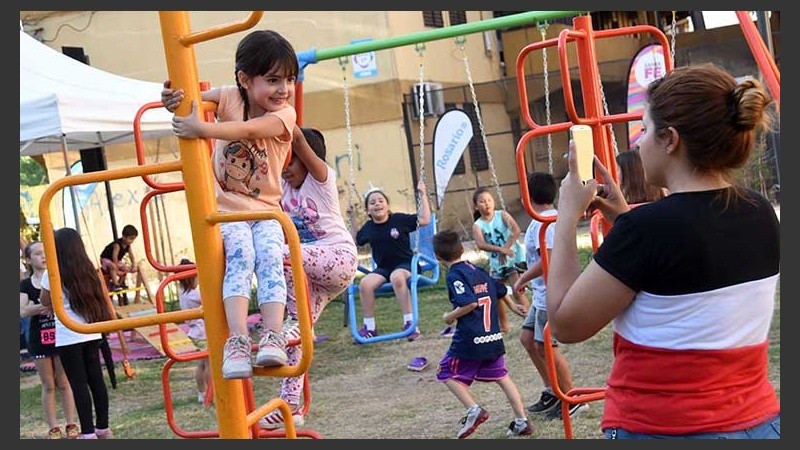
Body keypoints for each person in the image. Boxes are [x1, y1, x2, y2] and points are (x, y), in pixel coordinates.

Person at [547, 63, 780, 439]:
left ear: (670, 139)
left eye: (645, 129)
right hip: (759, 424)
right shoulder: (762, 212)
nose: (638, 143)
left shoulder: (647, 231)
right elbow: (687, 257)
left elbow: (566, 324)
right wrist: (624, 218)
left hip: (664, 428)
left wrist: (567, 214)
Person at [162, 29, 299, 379]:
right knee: (241, 258)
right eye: (273, 80)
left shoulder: (285, 115)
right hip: (226, 213)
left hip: (266, 212)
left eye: (289, 80)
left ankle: (272, 335)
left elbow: (250, 131)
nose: (283, 89)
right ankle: (237, 341)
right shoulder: (230, 98)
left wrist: (202, 130)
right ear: (245, 79)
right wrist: (172, 98)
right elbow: (190, 101)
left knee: (270, 257)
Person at [258, 126, 358, 429]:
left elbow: (299, 141)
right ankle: (290, 404)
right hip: (310, 274)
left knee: (282, 254)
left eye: (290, 161)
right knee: (296, 334)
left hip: (338, 258)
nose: (285, 169)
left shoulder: (321, 180)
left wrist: (281, 120)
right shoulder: (282, 189)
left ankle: (296, 324)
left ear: (305, 157)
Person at [432, 229, 533, 439]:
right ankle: (522, 421)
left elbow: (469, 303)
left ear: (438, 257)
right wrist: (513, 307)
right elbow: (499, 289)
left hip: (471, 339)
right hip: (493, 337)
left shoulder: (455, 275)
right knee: (503, 377)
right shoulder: (477, 269)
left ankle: (473, 410)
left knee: (445, 372)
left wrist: (449, 317)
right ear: (462, 249)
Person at [512, 172, 587, 421]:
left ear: (528, 196)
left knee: (546, 347)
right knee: (527, 339)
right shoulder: (540, 221)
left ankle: (573, 398)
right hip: (540, 294)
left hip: (549, 294)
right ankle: (552, 390)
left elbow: (549, 260)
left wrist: (522, 278)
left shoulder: (547, 223)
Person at [40, 228, 113, 439]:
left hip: (68, 334)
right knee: (96, 380)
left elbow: (45, 300)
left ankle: (88, 432)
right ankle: (103, 427)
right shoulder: (89, 269)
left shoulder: (52, 272)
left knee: (78, 383)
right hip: (91, 331)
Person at [354, 180, 431, 341]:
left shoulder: (399, 220)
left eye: (380, 201)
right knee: (365, 284)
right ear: (367, 210)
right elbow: (357, 240)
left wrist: (423, 193)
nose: (377, 204)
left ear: (387, 205)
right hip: (384, 268)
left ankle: (410, 323)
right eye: (372, 203)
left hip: (407, 265)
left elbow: (425, 219)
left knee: (397, 277)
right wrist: (352, 216)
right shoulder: (368, 227)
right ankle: (370, 327)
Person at [20, 240, 80, 439]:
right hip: (39, 338)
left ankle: (71, 423)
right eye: (37, 254)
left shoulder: (58, 278)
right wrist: (43, 307)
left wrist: (41, 306)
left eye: (45, 252)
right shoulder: (25, 285)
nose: (43, 256)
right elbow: (22, 310)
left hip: (62, 335)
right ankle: (53, 427)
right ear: (28, 260)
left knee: (64, 381)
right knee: (48, 384)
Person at [471, 187, 529, 331]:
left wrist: (506, 249)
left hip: (513, 258)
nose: (487, 204)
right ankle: (503, 325)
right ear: (476, 206)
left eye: (489, 200)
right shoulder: (478, 225)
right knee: (496, 293)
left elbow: (516, 230)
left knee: (517, 290)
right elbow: (481, 244)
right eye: (482, 201)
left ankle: (529, 321)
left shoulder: (502, 215)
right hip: (497, 263)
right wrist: (500, 250)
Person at [176, 258, 210, 404]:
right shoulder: (196, 294)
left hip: (194, 332)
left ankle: (202, 393)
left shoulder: (182, 293)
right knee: (209, 364)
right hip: (203, 332)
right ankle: (211, 393)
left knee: (201, 364)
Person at [99, 224, 139, 291]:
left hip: (116, 260)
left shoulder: (128, 246)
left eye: (133, 239)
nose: (132, 241)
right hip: (105, 259)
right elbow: (114, 257)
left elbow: (132, 257)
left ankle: (119, 284)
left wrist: (134, 265)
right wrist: (117, 271)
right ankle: (115, 284)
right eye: (130, 238)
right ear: (124, 237)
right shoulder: (117, 245)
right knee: (113, 266)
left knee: (125, 268)